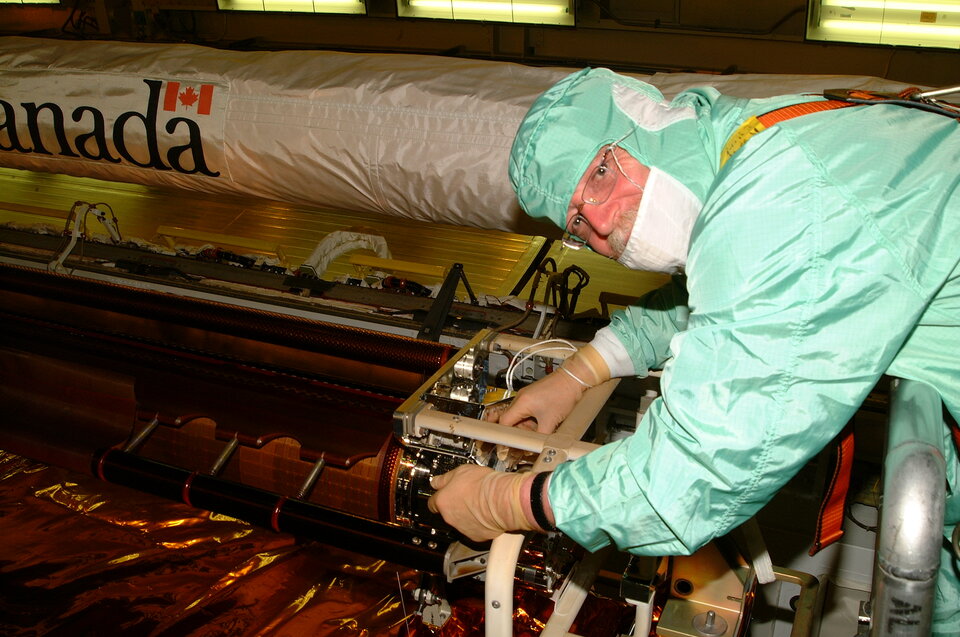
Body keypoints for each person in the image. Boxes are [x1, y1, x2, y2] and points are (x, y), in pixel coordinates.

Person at [428, 67, 960, 632]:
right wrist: (580, 373)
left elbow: (690, 476)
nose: (602, 222)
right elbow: (714, 297)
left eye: (600, 174)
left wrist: (513, 502)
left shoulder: (780, 200)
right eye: (578, 221)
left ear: (646, 122)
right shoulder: (759, 141)